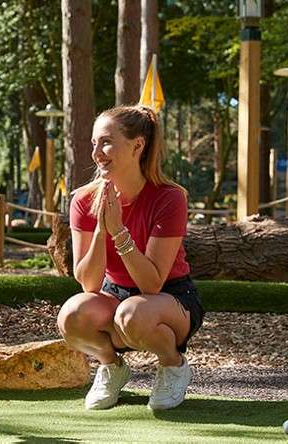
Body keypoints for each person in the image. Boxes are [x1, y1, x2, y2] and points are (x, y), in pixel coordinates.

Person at [57, 105, 203, 411]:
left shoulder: (169, 197)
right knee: (71, 315)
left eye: (106, 142)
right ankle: (111, 366)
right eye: (94, 143)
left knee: (132, 314)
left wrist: (119, 231)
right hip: (116, 294)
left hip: (170, 296)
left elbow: (151, 284)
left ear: (138, 145)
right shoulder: (83, 200)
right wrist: (101, 228)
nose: (97, 153)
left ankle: (173, 364)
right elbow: (89, 283)